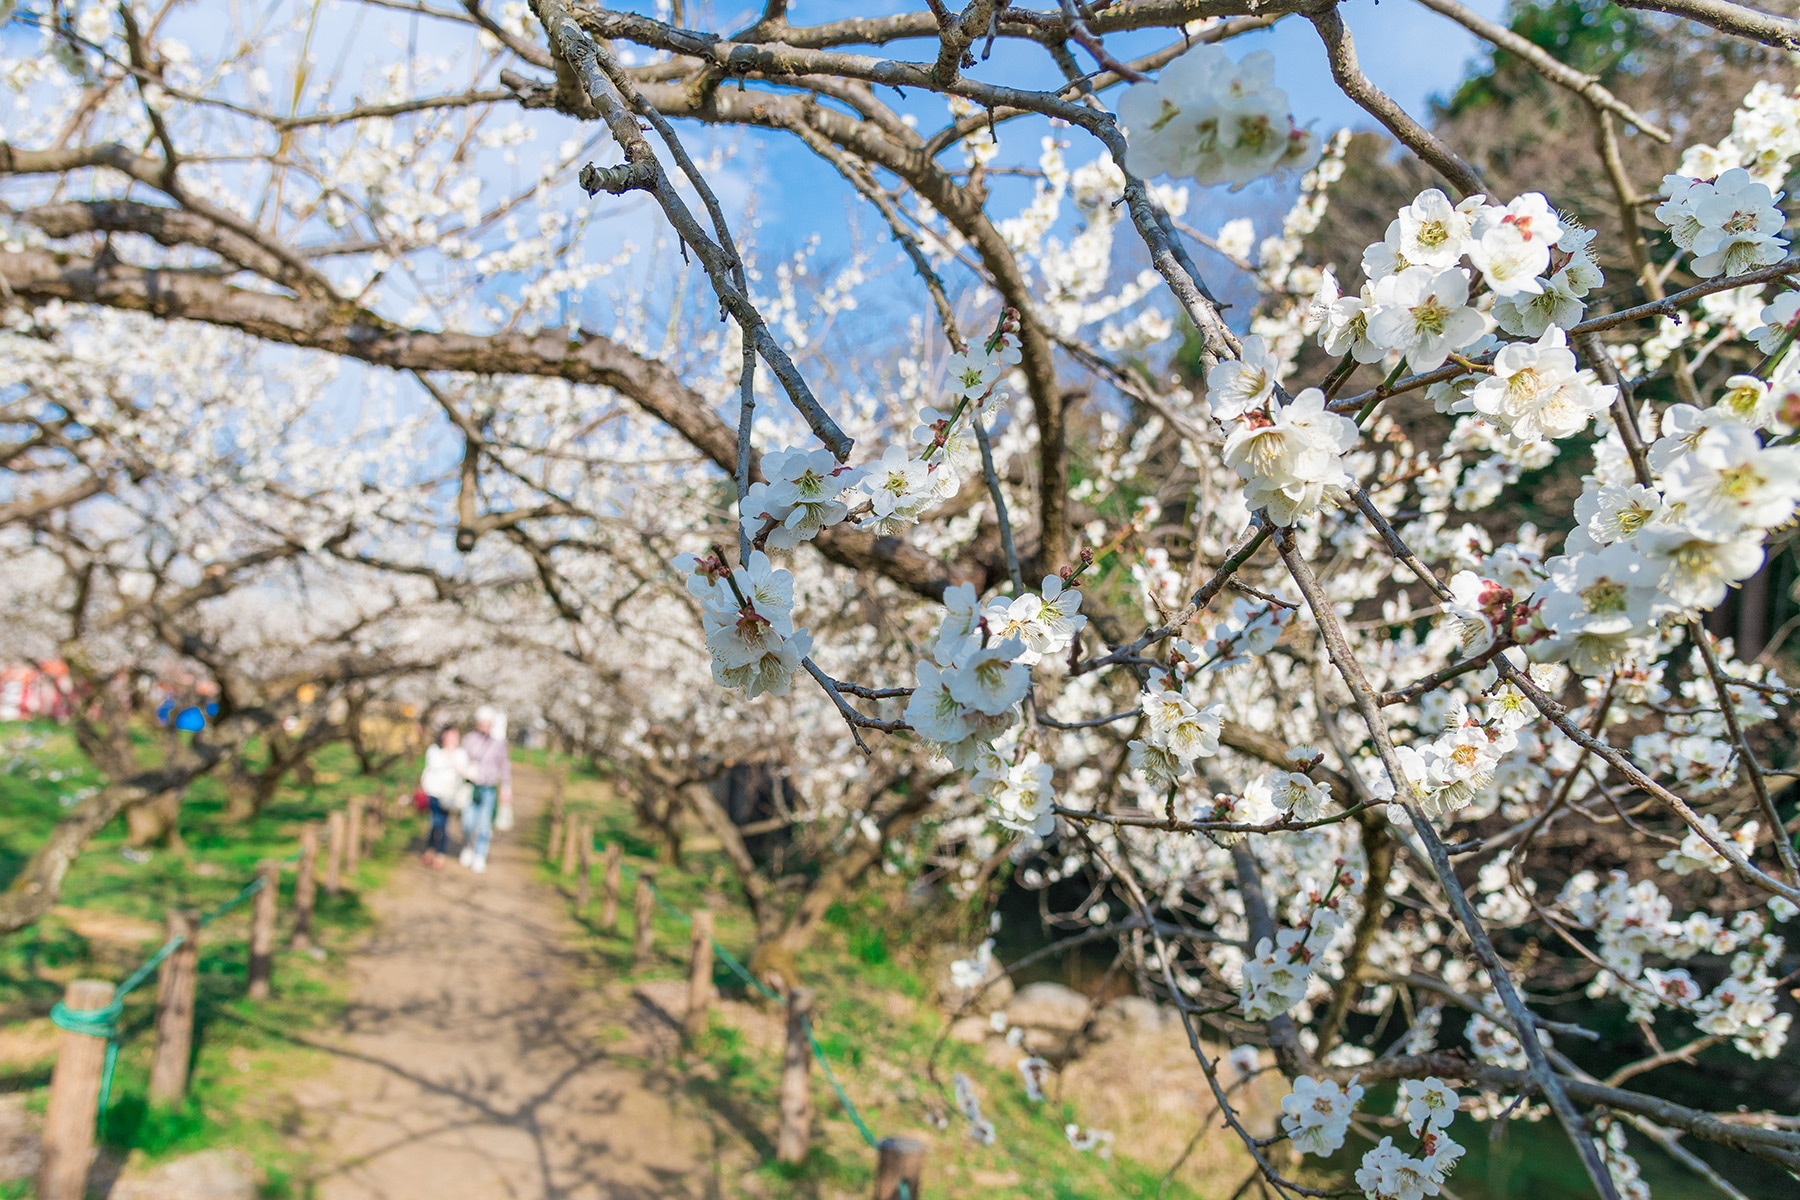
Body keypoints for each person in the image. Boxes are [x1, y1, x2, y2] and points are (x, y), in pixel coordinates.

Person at [459, 705, 512, 874]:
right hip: (470, 786)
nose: (485, 726)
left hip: (488, 788)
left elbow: (504, 765)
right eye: (482, 722)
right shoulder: (469, 740)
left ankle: (480, 854)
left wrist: (506, 787)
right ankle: (468, 846)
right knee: (468, 822)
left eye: (488, 723)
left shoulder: (499, 743)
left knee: (484, 824)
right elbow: (461, 760)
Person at [418, 726, 469, 868]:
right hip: (434, 792)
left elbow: (462, 771)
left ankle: (440, 853)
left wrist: (453, 757)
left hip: (450, 795)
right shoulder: (435, 751)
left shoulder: (461, 754)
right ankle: (431, 849)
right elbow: (434, 766)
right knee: (435, 822)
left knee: (444, 824)